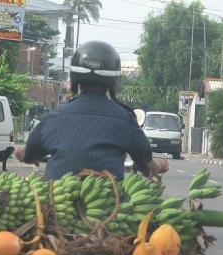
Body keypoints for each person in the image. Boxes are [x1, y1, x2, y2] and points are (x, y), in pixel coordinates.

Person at [15, 41, 168, 180]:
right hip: (108, 207)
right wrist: (160, 165)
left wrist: (23, 153)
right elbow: (147, 166)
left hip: (56, 205)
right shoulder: (125, 119)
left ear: (74, 78)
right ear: (113, 81)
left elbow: (28, 155)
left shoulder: (53, 118)